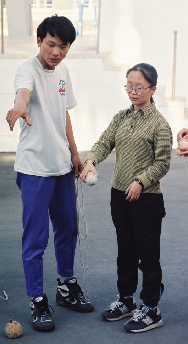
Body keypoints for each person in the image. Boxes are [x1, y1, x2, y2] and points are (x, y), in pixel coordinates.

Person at [6, 15, 94, 332]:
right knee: (36, 238)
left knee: (68, 228)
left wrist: (74, 153)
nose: (56, 52)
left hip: (60, 167)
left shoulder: (63, 72)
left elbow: (64, 114)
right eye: (51, 44)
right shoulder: (26, 70)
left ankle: (66, 286)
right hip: (33, 169)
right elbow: (23, 93)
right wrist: (20, 106)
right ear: (39, 40)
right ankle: (37, 299)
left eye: (63, 46)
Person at [81, 63, 172, 333]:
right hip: (119, 195)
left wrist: (141, 181)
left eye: (139, 87)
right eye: (129, 86)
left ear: (153, 89)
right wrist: (90, 161)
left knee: (148, 255)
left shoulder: (160, 124)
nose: (132, 92)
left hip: (147, 199)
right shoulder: (121, 117)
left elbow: (163, 163)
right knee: (126, 251)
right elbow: (104, 141)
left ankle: (152, 309)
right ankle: (126, 300)